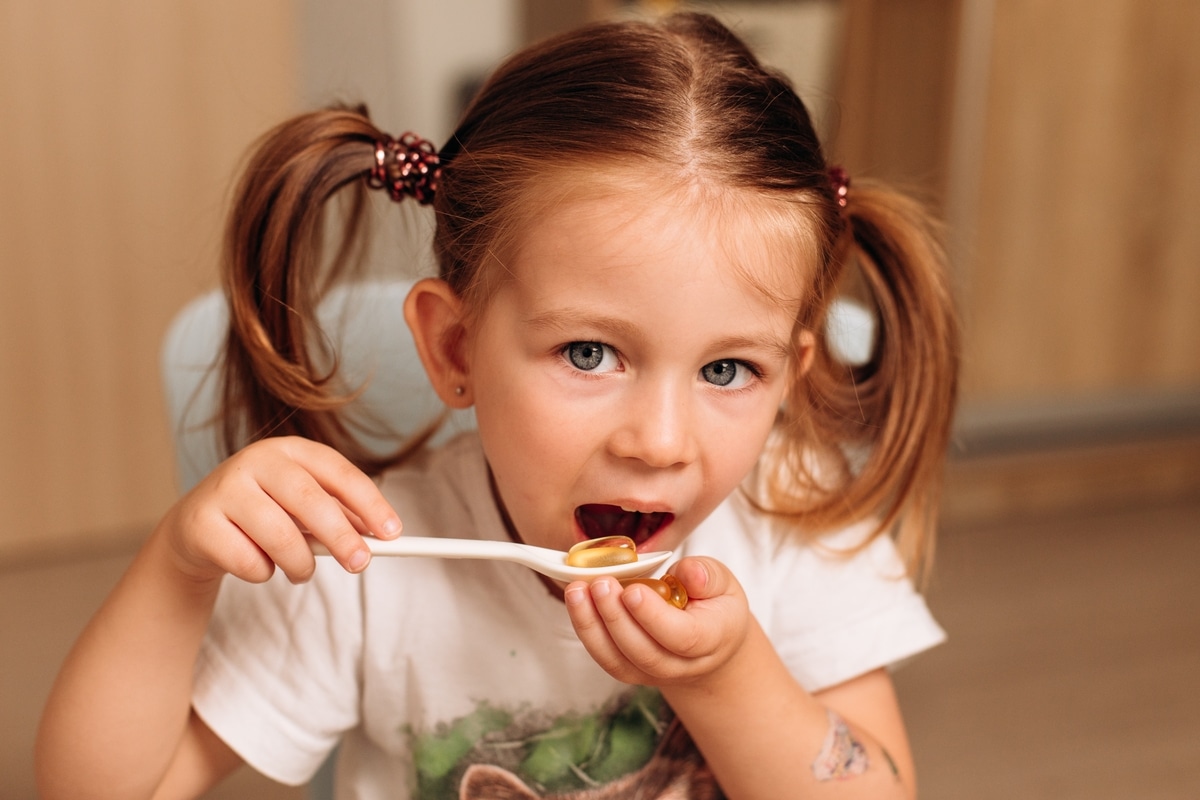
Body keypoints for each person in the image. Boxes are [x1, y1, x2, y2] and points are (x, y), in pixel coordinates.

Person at [36, 11, 958, 800]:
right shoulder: (369, 570)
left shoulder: (793, 518)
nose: (661, 444)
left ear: (791, 374)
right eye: (590, 354)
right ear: (454, 348)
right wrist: (176, 568)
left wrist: (726, 676)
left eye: (728, 372)